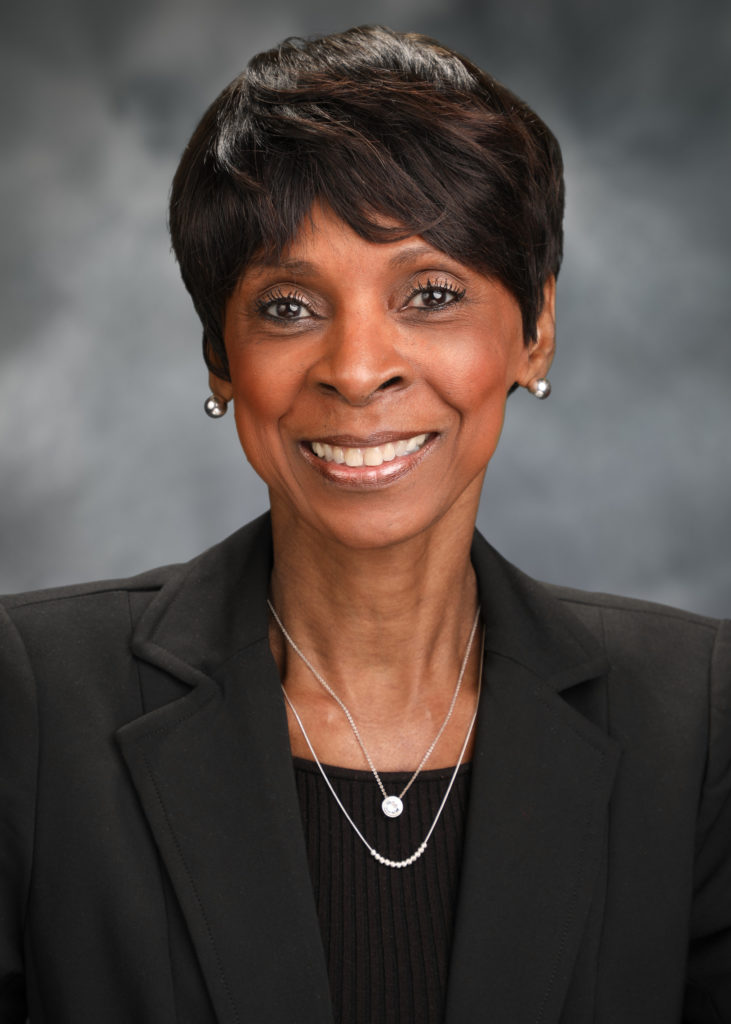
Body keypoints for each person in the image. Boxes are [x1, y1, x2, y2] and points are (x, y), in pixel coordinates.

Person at [1, 24, 729, 1024]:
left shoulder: (696, 717)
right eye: (289, 306)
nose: (355, 367)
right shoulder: (31, 700)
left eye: (429, 295)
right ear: (220, 357)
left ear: (534, 330)